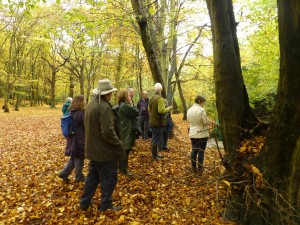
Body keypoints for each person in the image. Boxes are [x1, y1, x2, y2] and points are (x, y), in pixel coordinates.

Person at [80, 79, 125, 212]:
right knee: (109, 180)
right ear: (106, 93)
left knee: (92, 179)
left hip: (94, 150)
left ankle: (84, 203)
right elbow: (108, 132)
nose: (112, 94)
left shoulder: (90, 104)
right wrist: (119, 144)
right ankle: (106, 205)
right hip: (104, 152)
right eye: (111, 92)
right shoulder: (104, 107)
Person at [58, 95, 85, 182]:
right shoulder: (80, 113)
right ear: (81, 102)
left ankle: (64, 173)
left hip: (72, 137)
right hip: (79, 138)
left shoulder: (71, 111)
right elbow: (86, 125)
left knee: (74, 156)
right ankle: (79, 176)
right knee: (79, 156)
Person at [117, 90, 139, 175]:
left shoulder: (121, 105)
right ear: (125, 97)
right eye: (129, 95)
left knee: (125, 150)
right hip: (126, 130)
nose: (130, 97)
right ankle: (123, 170)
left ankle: (122, 169)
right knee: (125, 150)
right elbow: (137, 112)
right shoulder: (124, 106)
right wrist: (131, 103)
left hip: (124, 129)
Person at [149, 83, 172, 160]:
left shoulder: (152, 98)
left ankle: (155, 155)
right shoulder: (160, 98)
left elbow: (150, 110)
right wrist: (168, 108)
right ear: (161, 90)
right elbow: (161, 110)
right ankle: (154, 156)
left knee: (155, 138)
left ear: (155, 89)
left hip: (153, 121)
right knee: (156, 139)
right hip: (158, 122)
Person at [187, 95, 209, 174]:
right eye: (203, 102)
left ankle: (193, 167)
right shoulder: (201, 110)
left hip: (193, 132)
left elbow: (188, 120)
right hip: (201, 133)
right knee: (201, 151)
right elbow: (205, 122)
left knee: (194, 150)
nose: (204, 104)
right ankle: (200, 168)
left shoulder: (189, 110)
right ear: (200, 101)